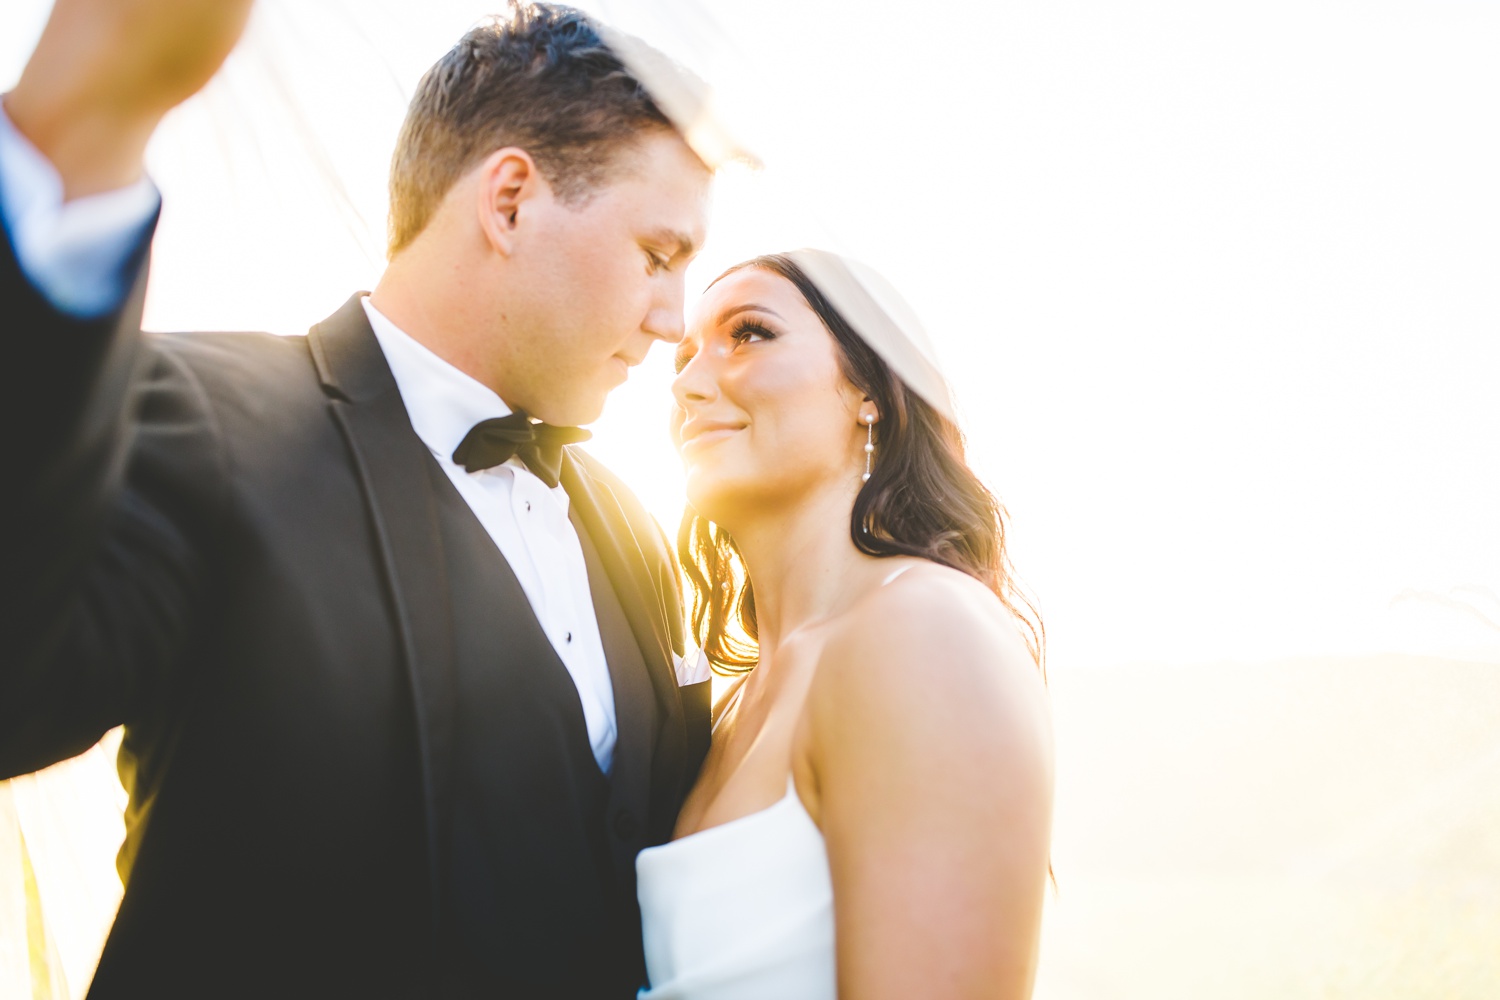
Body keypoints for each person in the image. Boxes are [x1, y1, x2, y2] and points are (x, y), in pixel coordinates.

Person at [0, 1, 716, 996]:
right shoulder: (208, 419)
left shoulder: (634, 527)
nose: (677, 320)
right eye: (659, 255)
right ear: (509, 201)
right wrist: (71, 139)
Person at [636, 251, 1055, 999]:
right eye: (685, 356)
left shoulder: (924, 633)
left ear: (870, 389)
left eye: (751, 333)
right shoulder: (736, 702)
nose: (689, 382)